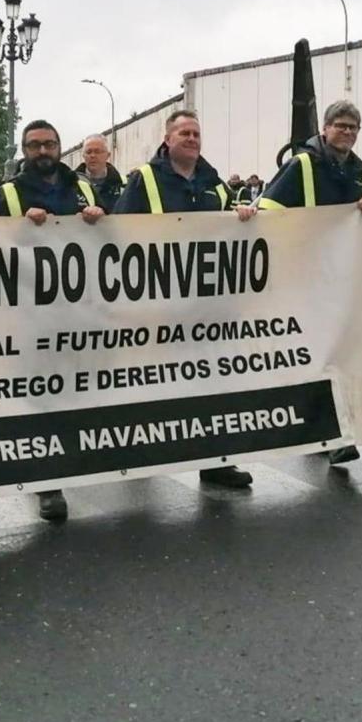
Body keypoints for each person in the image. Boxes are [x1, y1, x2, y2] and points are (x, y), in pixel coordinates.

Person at [114, 109, 256, 490]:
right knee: (150, 384)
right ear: (168, 137)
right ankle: (140, 457)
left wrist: (243, 215)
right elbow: (119, 234)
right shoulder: (144, 180)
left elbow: (234, 230)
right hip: (158, 305)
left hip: (207, 306)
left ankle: (215, 462)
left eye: (196, 133)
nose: (192, 139)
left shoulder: (214, 182)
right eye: (184, 133)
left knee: (212, 385)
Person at [0, 120, 103, 521]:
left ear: (60, 147)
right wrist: (16, 226)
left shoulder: (82, 187)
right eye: (34, 146)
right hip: (28, 316)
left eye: (49, 144)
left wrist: (102, 216)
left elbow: (117, 238)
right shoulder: (9, 194)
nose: (43, 152)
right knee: (41, 398)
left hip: (80, 312)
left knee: (79, 394)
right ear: (24, 150)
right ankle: (47, 483)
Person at [255, 100, 362, 466]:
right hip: (305, 281)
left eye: (354, 128)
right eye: (341, 126)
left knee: (340, 355)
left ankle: (330, 430)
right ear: (325, 128)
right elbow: (269, 214)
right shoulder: (302, 166)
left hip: (344, 283)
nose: (347, 133)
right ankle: (331, 433)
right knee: (317, 356)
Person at [74, 134, 124, 212]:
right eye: (88, 152)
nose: (93, 155)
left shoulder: (123, 183)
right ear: (83, 156)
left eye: (98, 152)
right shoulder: (71, 184)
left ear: (108, 155)